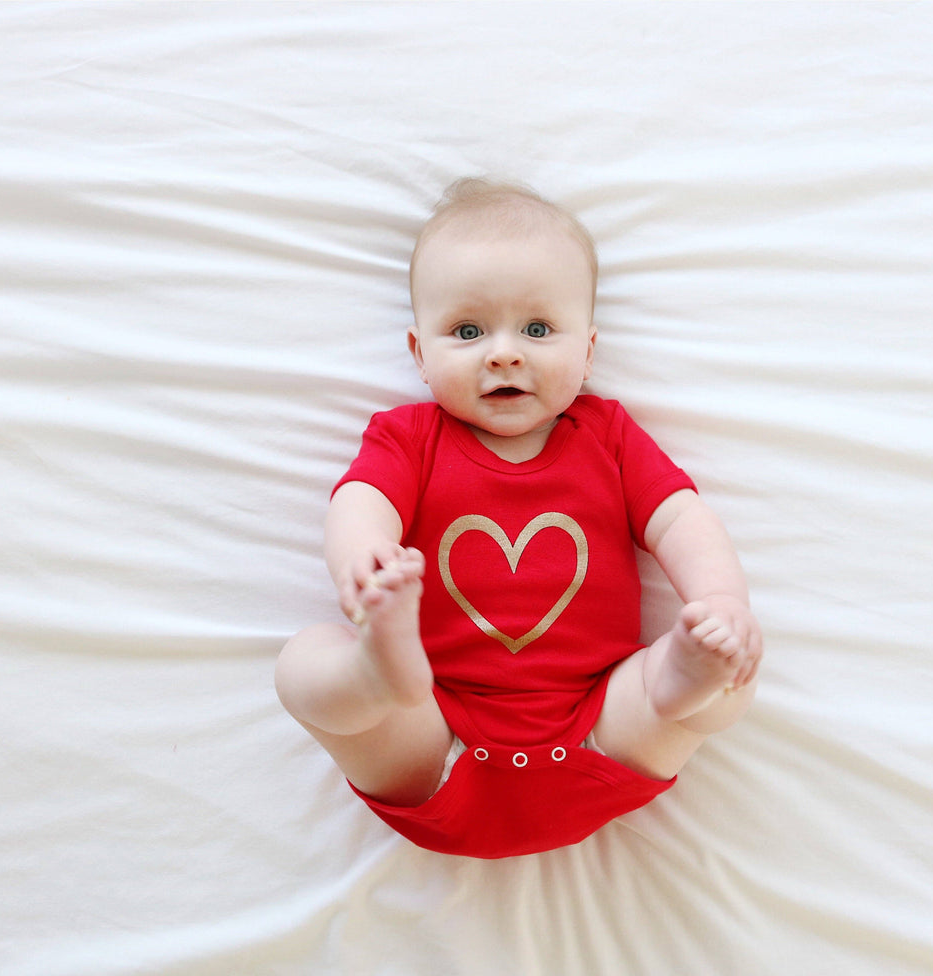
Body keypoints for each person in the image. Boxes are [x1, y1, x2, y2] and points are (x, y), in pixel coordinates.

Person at [275, 177, 762, 858]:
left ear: (588, 352)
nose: (504, 352)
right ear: (419, 354)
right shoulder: (408, 438)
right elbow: (361, 501)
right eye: (467, 330)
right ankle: (374, 676)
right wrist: (365, 559)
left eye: (537, 329)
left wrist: (719, 605)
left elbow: (680, 520)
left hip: (598, 732)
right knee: (305, 663)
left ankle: (678, 679)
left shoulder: (609, 436)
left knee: (724, 685)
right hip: (436, 740)